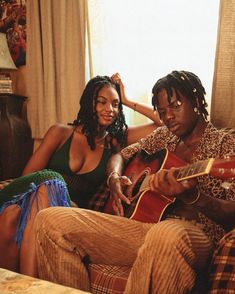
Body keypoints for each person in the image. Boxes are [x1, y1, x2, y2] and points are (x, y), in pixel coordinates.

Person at [34, 70, 235, 293]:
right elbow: (120, 156)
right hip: (144, 228)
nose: (168, 117)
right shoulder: (164, 136)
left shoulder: (224, 145)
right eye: (162, 111)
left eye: (175, 105)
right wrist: (114, 178)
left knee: (165, 234)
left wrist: (193, 197)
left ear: (196, 101)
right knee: (50, 220)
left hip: (196, 236)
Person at [0, 73, 162, 277]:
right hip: (36, 201)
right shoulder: (60, 132)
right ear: (88, 103)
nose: (109, 109)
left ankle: (32, 287)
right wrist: (51, 183)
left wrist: (127, 100)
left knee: (50, 183)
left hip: (70, 213)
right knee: (11, 215)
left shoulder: (116, 141)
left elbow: (162, 124)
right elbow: (28, 176)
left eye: (115, 104)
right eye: (101, 102)